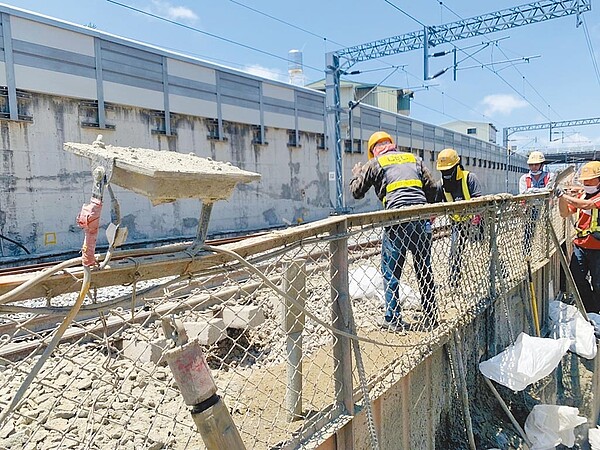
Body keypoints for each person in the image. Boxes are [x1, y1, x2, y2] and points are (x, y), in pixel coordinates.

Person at [350, 131, 438, 332]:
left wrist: (357, 173)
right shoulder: (414, 159)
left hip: (397, 221)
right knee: (424, 268)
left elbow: (356, 192)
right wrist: (430, 208)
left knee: (391, 272)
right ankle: (431, 315)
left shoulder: (375, 163)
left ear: (373, 151)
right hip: (420, 218)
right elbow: (432, 188)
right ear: (392, 144)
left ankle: (394, 319)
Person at [557, 161, 600, 313]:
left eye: (590, 180)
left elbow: (586, 205)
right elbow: (564, 213)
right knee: (576, 279)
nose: (586, 183)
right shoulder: (582, 194)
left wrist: (565, 195)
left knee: (598, 283)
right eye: (584, 180)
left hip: (598, 247)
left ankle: (597, 311)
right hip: (581, 245)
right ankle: (592, 312)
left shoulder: (595, 197)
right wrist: (561, 199)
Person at [435, 148, 482, 287]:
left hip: (475, 222)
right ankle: (454, 279)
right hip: (457, 223)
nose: (446, 174)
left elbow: (479, 200)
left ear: (457, 166)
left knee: (486, 247)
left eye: (449, 170)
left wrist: (476, 218)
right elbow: (434, 207)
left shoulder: (469, 178)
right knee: (455, 251)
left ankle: (494, 270)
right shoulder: (441, 185)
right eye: (443, 171)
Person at [519, 151, 555, 256]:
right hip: (531, 208)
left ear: (542, 165)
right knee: (529, 231)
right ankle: (526, 253)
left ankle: (545, 251)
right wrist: (542, 191)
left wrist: (532, 190)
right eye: (531, 165)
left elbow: (549, 190)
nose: (534, 167)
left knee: (546, 230)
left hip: (546, 208)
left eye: (536, 164)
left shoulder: (549, 176)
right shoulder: (524, 178)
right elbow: (524, 192)